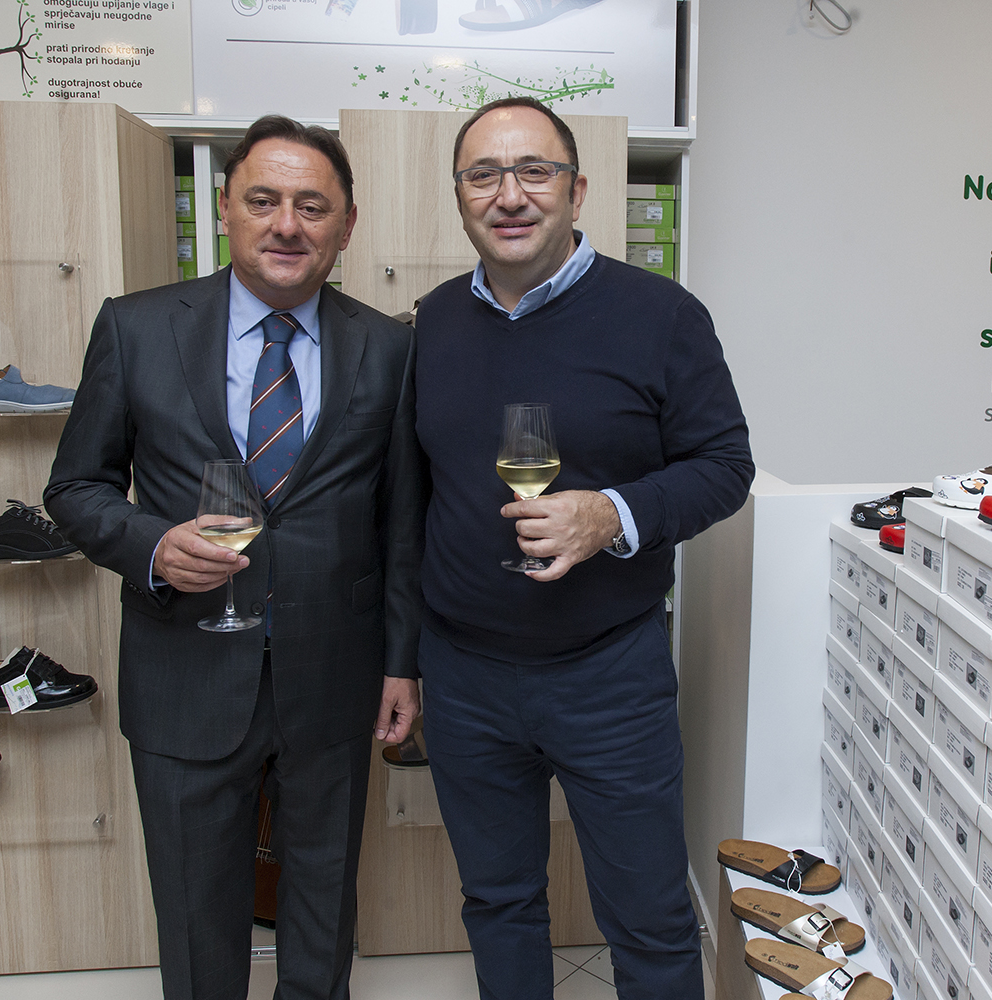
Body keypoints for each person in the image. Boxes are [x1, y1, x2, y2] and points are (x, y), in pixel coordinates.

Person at [44, 115, 424, 1000]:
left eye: (312, 206)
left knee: (324, 913)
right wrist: (151, 545)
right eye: (263, 200)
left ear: (347, 225)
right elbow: (75, 488)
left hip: (335, 677)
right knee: (195, 919)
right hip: (184, 670)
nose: (287, 224)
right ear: (224, 209)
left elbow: (402, 522)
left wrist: (402, 663)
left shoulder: (392, 348)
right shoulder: (137, 328)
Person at [413, 97, 755, 1000]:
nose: (509, 195)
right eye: (484, 175)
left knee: (648, 920)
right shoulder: (431, 322)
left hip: (609, 677)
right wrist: (404, 659)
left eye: (536, 171)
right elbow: (413, 499)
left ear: (578, 189)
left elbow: (726, 467)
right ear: (460, 195)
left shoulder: (662, 315)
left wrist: (611, 514)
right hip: (464, 677)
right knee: (497, 902)